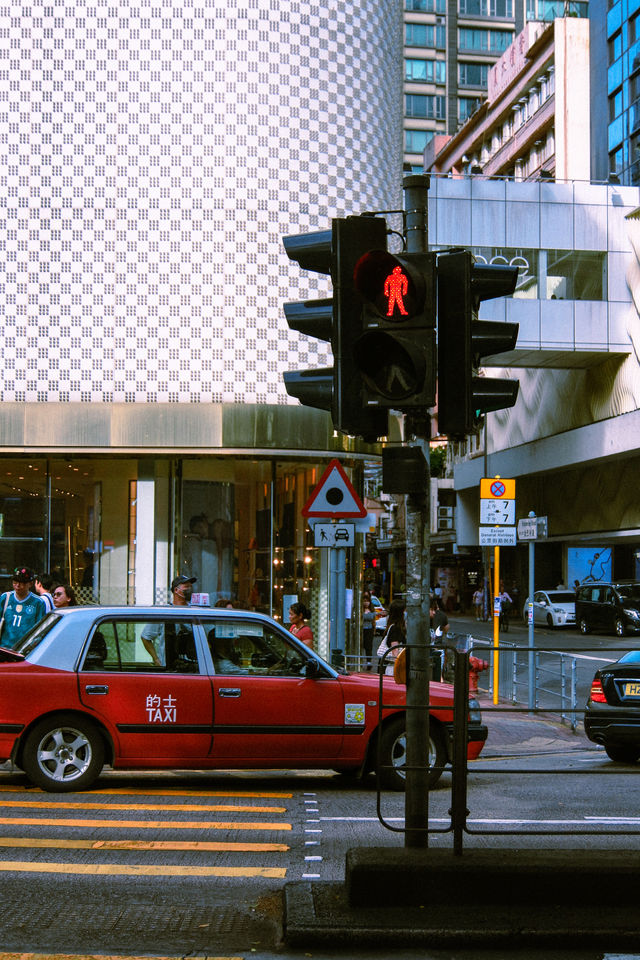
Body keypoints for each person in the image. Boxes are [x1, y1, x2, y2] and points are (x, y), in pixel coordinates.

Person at [141, 575, 196, 667]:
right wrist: (156, 659)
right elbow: (145, 637)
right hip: (170, 668)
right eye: (186, 587)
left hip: (193, 667)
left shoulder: (195, 611)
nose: (190, 589)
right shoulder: (164, 613)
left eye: (191, 587)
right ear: (176, 590)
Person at [0, 567, 47, 649]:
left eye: (22, 583)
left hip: (24, 650)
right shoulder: (5, 597)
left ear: (30, 584)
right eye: (15, 582)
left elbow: (40, 630)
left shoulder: (38, 602)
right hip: (5, 647)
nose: (17, 586)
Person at [377, 598, 406, 675]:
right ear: (401, 613)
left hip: (389, 666)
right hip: (392, 668)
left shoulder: (392, 626)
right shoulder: (396, 628)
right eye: (405, 611)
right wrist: (399, 666)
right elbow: (395, 650)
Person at [361, 593, 375, 669]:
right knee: (362, 645)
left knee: (368, 646)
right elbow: (368, 617)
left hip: (369, 629)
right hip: (362, 629)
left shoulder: (372, 609)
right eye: (364, 601)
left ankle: (369, 662)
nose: (366, 603)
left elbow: (372, 618)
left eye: (367, 601)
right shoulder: (360, 610)